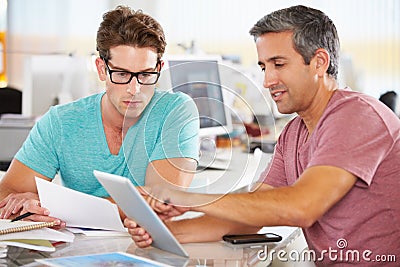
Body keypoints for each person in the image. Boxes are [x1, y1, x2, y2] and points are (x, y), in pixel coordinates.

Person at [127, 5, 400, 266]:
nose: (267, 81)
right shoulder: (293, 133)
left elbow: (301, 207)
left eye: (278, 64)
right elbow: (253, 214)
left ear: (319, 63)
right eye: (263, 67)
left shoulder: (356, 115)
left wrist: (187, 197)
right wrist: (166, 232)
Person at [0, 6, 199, 226]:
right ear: (101, 69)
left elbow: (159, 201)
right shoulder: (61, 121)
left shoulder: (176, 111)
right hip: (77, 252)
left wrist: (58, 206)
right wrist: (26, 206)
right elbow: (7, 195)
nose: (135, 89)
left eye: (145, 74)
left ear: (159, 68)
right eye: (122, 74)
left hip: (146, 248)